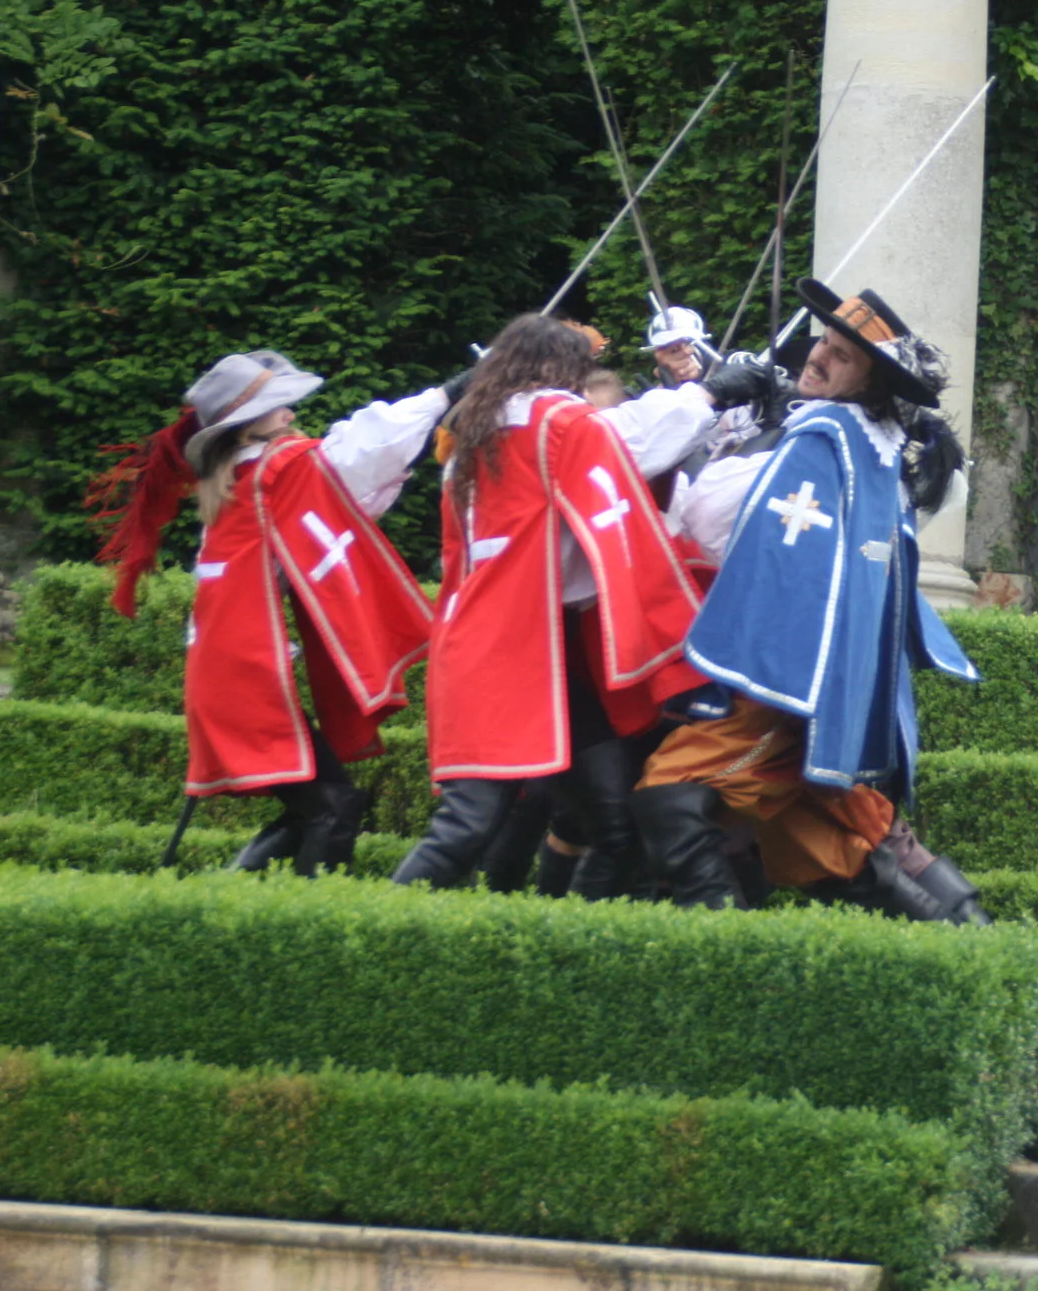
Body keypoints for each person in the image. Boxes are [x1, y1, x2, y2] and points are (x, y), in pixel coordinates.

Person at [629, 280, 986, 921]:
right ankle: (979, 947)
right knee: (844, 829)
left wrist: (738, 427)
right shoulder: (875, 445)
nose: (818, 356)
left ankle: (715, 956)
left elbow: (710, 520)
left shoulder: (821, 437)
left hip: (784, 678)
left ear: (872, 382)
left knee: (670, 792)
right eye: (822, 341)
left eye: (840, 355)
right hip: (829, 677)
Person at [389, 314, 711, 897]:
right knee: (467, 827)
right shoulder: (556, 421)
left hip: (529, 645)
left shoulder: (477, 434)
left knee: (610, 822)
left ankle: (559, 956)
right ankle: (366, 945)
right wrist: (707, 393)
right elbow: (633, 439)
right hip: (509, 648)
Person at [87, 351, 440, 876]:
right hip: (242, 679)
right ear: (247, 425)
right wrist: (444, 396)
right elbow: (355, 461)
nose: (292, 415)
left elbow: (337, 504)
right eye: (280, 407)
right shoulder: (273, 471)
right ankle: (299, 920)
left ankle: (240, 898)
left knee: (314, 807)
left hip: (228, 676)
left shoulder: (240, 484)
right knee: (334, 806)